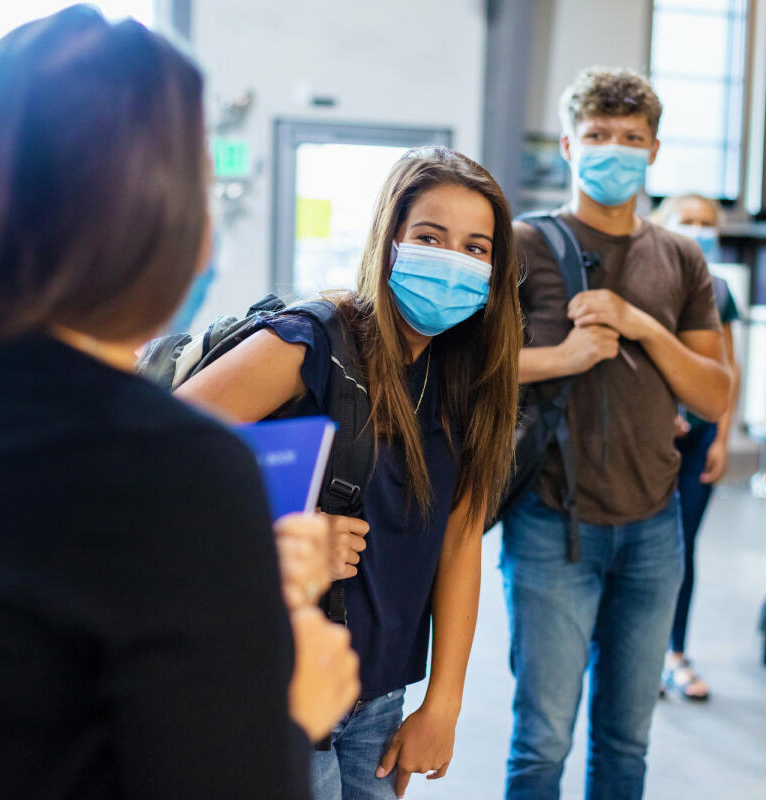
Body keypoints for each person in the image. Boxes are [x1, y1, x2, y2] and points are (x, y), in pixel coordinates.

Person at [0, 8, 358, 798]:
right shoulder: (176, 467)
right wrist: (291, 705)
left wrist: (222, 589)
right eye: (204, 183)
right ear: (162, 221)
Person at [177, 145, 522, 800]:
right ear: (390, 241)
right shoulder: (311, 342)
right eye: (430, 237)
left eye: (477, 247)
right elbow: (151, 455)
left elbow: (459, 543)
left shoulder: (471, 381)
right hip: (281, 677)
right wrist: (280, 529)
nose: (453, 260)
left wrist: (442, 703)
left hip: (380, 697)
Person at [502, 67, 732, 799]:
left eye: (630, 138)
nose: (614, 150)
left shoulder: (682, 258)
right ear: (569, 144)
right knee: (541, 741)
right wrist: (561, 358)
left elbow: (714, 389)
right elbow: (465, 370)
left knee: (626, 744)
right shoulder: (523, 244)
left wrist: (642, 328)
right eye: (598, 136)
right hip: (549, 522)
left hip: (653, 526)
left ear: (654, 152)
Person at [650, 193, 743, 701]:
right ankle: (633, 657)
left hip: (698, 440)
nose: (697, 228)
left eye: (706, 223)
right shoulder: (643, 284)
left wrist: (723, 436)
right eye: (687, 221)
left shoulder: (720, 290)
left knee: (682, 549)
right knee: (638, 550)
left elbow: (728, 369)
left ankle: (676, 654)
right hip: (647, 439)